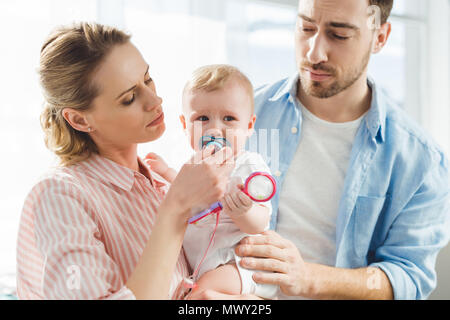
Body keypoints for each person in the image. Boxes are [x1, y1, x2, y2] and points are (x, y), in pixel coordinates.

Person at [191, 0, 450, 300]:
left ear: (380, 37)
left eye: (339, 35)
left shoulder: (421, 161)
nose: (314, 53)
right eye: (306, 28)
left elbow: (408, 278)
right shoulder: (239, 119)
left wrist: (308, 277)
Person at [15, 22, 235, 300]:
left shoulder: (159, 184)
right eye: (129, 98)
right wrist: (176, 208)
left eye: (148, 78)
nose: (155, 100)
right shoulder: (60, 195)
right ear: (80, 120)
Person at [146, 64, 278, 299]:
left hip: (239, 264)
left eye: (229, 118)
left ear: (248, 126)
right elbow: (187, 190)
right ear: (185, 126)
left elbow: (260, 223)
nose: (215, 130)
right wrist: (167, 173)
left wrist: (244, 211)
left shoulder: (248, 165)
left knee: (201, 292)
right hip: (207, 264)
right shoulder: (194, 166)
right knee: (199, 288)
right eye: (203, 118)